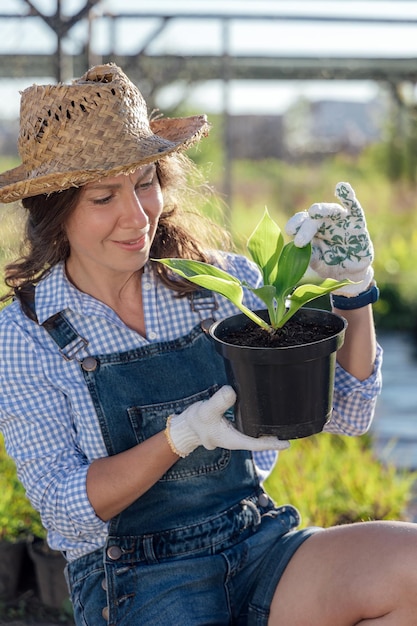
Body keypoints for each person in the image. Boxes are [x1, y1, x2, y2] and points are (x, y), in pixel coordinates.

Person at [0, 63, 415, 626]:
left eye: (145, 182)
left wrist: (352, 294)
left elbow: (347, 412)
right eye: (104, 197)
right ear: (56, 211)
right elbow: (66, 509)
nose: (136, 215)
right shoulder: (27, 332)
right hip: (138, 580)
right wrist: (180, 437)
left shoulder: (221, 286)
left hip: (257, 545)